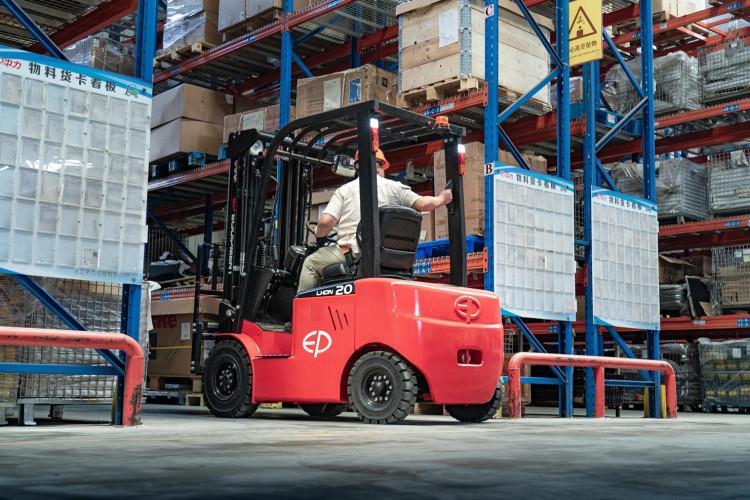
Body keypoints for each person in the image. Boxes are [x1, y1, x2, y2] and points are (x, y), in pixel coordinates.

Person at [297, 148, 453, 292]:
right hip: (392, 258)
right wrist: (443, 197)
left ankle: (299, 310)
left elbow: (325, 222)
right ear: (382, 166)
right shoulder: (395, 188)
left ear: (357, 167)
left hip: (355, 255)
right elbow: (425, 204)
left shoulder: (345, 190)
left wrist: (318, 232)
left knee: (310, 263)